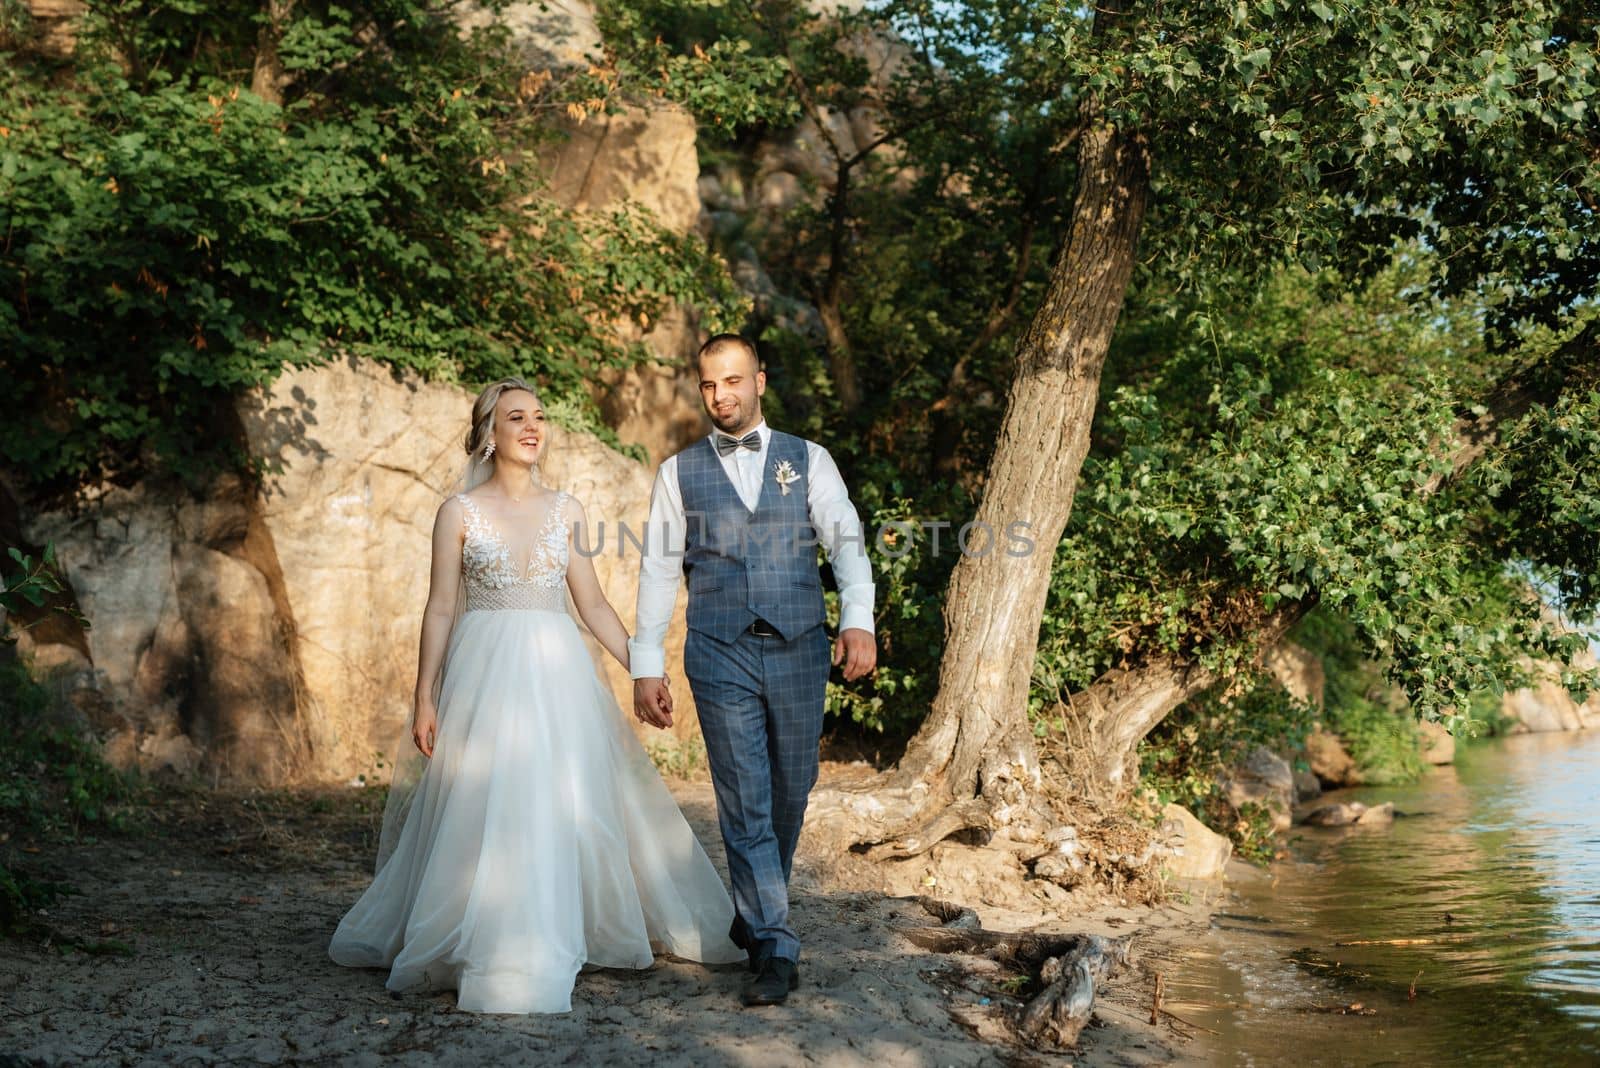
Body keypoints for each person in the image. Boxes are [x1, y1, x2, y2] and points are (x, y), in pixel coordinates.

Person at [329, 377, 743, 1014]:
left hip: (557, 675)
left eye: (540, 417)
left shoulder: (567, 510)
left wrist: (644, 669)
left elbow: (595, 604)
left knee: (561, 799)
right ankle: (487, 938)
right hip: (484, 675)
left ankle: (561, 924)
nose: (531, 427)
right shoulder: (458, 513)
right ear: (489, 434)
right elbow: (439, 610)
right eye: (515, 416)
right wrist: (424, 696)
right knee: (485, 801)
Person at [630, 334, 878, 1007]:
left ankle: (754, 906)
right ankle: (774, 942)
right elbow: (656, 569)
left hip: (799, 644)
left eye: (734, 382)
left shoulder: (809, 460)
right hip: (718, 651)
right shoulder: (678, 473)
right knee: (744, 798)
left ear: (760, 381)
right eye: (710, 386)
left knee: (791, 789)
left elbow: (846, 541)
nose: (722, 397)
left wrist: (858, 617)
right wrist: (644, 663)